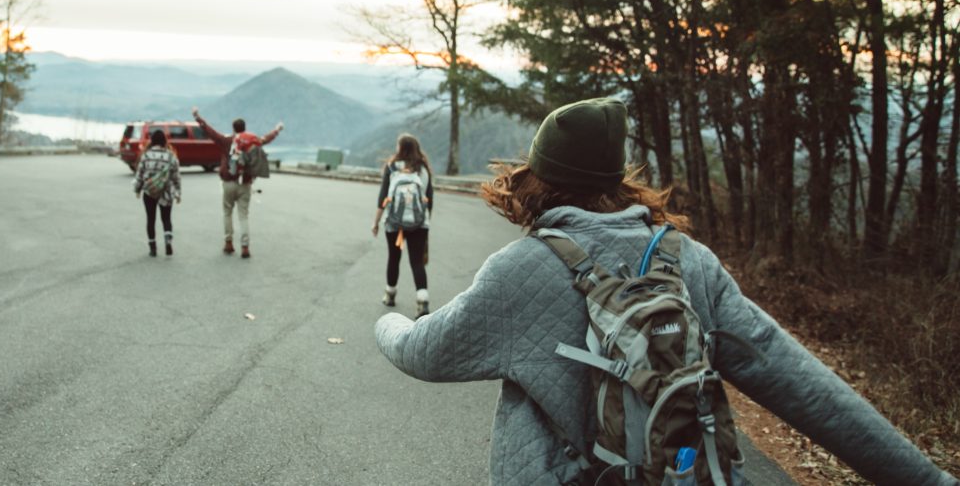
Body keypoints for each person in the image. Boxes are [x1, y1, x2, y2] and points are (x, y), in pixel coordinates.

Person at [374, 97, 956, 485]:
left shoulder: (518, 271)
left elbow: (422, 352)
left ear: (539, 178)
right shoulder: (690, 263)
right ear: (617, 179)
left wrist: (386, 324)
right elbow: (805, 385)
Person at [191, 107, 282, 259]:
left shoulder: (226, 141)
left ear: (234, 129)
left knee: (227, 213)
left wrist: (197, 117)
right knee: (243, 216)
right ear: (244, 129)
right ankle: (245, 247)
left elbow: (209, 131)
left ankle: (228, 243)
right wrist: (277, 129)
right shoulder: (252, 142)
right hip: (245, 183)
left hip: (228, 182)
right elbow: (267, 138)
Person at [371, 133, 434, 317]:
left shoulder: (392, 167)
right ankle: (422, 300)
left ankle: (390, 294)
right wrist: (426, 223)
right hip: (419, 223)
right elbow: (429, 200)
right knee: (416, 261)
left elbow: (383, 198)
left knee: (394, 257)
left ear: (400, 148)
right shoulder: (423, 169)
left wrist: (375, 223)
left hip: (394, 222)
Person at [132, 129, 180, 257]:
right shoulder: (170, 155)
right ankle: (168, 241)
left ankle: (153, 248)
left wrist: (137, 189)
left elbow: (140, 174)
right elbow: (176, 176)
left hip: (149, 192)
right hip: (166, 191)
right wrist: (178, 193)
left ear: (152, 140)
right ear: (164, 140)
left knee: (151, 219)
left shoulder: (146, 155)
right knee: (166, 218)